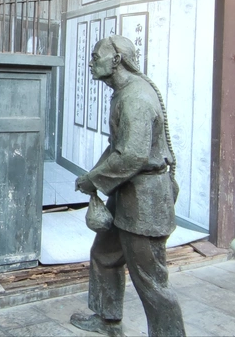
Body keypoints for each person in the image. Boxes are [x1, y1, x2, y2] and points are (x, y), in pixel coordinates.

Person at [71, 35, 185, 337]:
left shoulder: (135, 98)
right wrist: (93, 176)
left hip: (145, 201)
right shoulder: (124, 92)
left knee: (151, 281)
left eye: (96, 56)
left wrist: (95, 179)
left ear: (117, 60)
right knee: (105, 255)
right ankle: (107, 320)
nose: (91, 63)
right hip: (128, 194)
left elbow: (132, 155)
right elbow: (118, 147)